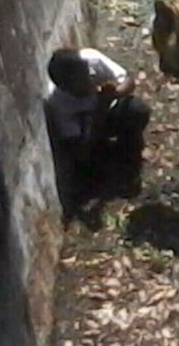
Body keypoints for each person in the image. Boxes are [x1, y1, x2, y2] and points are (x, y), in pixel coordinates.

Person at [44, 48, 150, 219]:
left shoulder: (92, 60)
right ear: (65, 87)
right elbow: (79, 150)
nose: (88, 82)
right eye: (80, 82)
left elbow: (128, 81)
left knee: (137, 110)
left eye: (86, 74)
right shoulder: (58, 104)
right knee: (88, 167)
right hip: (90, 132)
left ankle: (128, 156)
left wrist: (114, 94)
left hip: (108, 111)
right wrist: (97, 116)